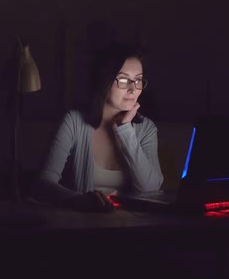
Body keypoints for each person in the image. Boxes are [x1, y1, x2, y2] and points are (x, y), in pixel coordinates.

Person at [32, 42, 164, 212]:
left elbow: (152, 190)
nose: (133, 88)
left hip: (132, 230)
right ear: (105, 80)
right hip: (80, 228)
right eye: (123, 79)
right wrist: (78, 200)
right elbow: (43, 184)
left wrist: (125, 129)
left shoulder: (147, 129)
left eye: (138, 80)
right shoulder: (74, 122)